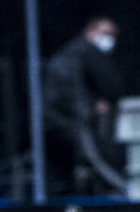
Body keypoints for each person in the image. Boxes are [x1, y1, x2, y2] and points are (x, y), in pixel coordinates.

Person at [42, 15, 126, 198]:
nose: (110, 39)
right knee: (97, 159)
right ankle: (124, 192)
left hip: (65, 121)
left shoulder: (75, 53)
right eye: (105, 33)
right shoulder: (84, 53)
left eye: (113, 34)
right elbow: (72, 90)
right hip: (71, 121)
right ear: (90, 32)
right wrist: (92, 106)